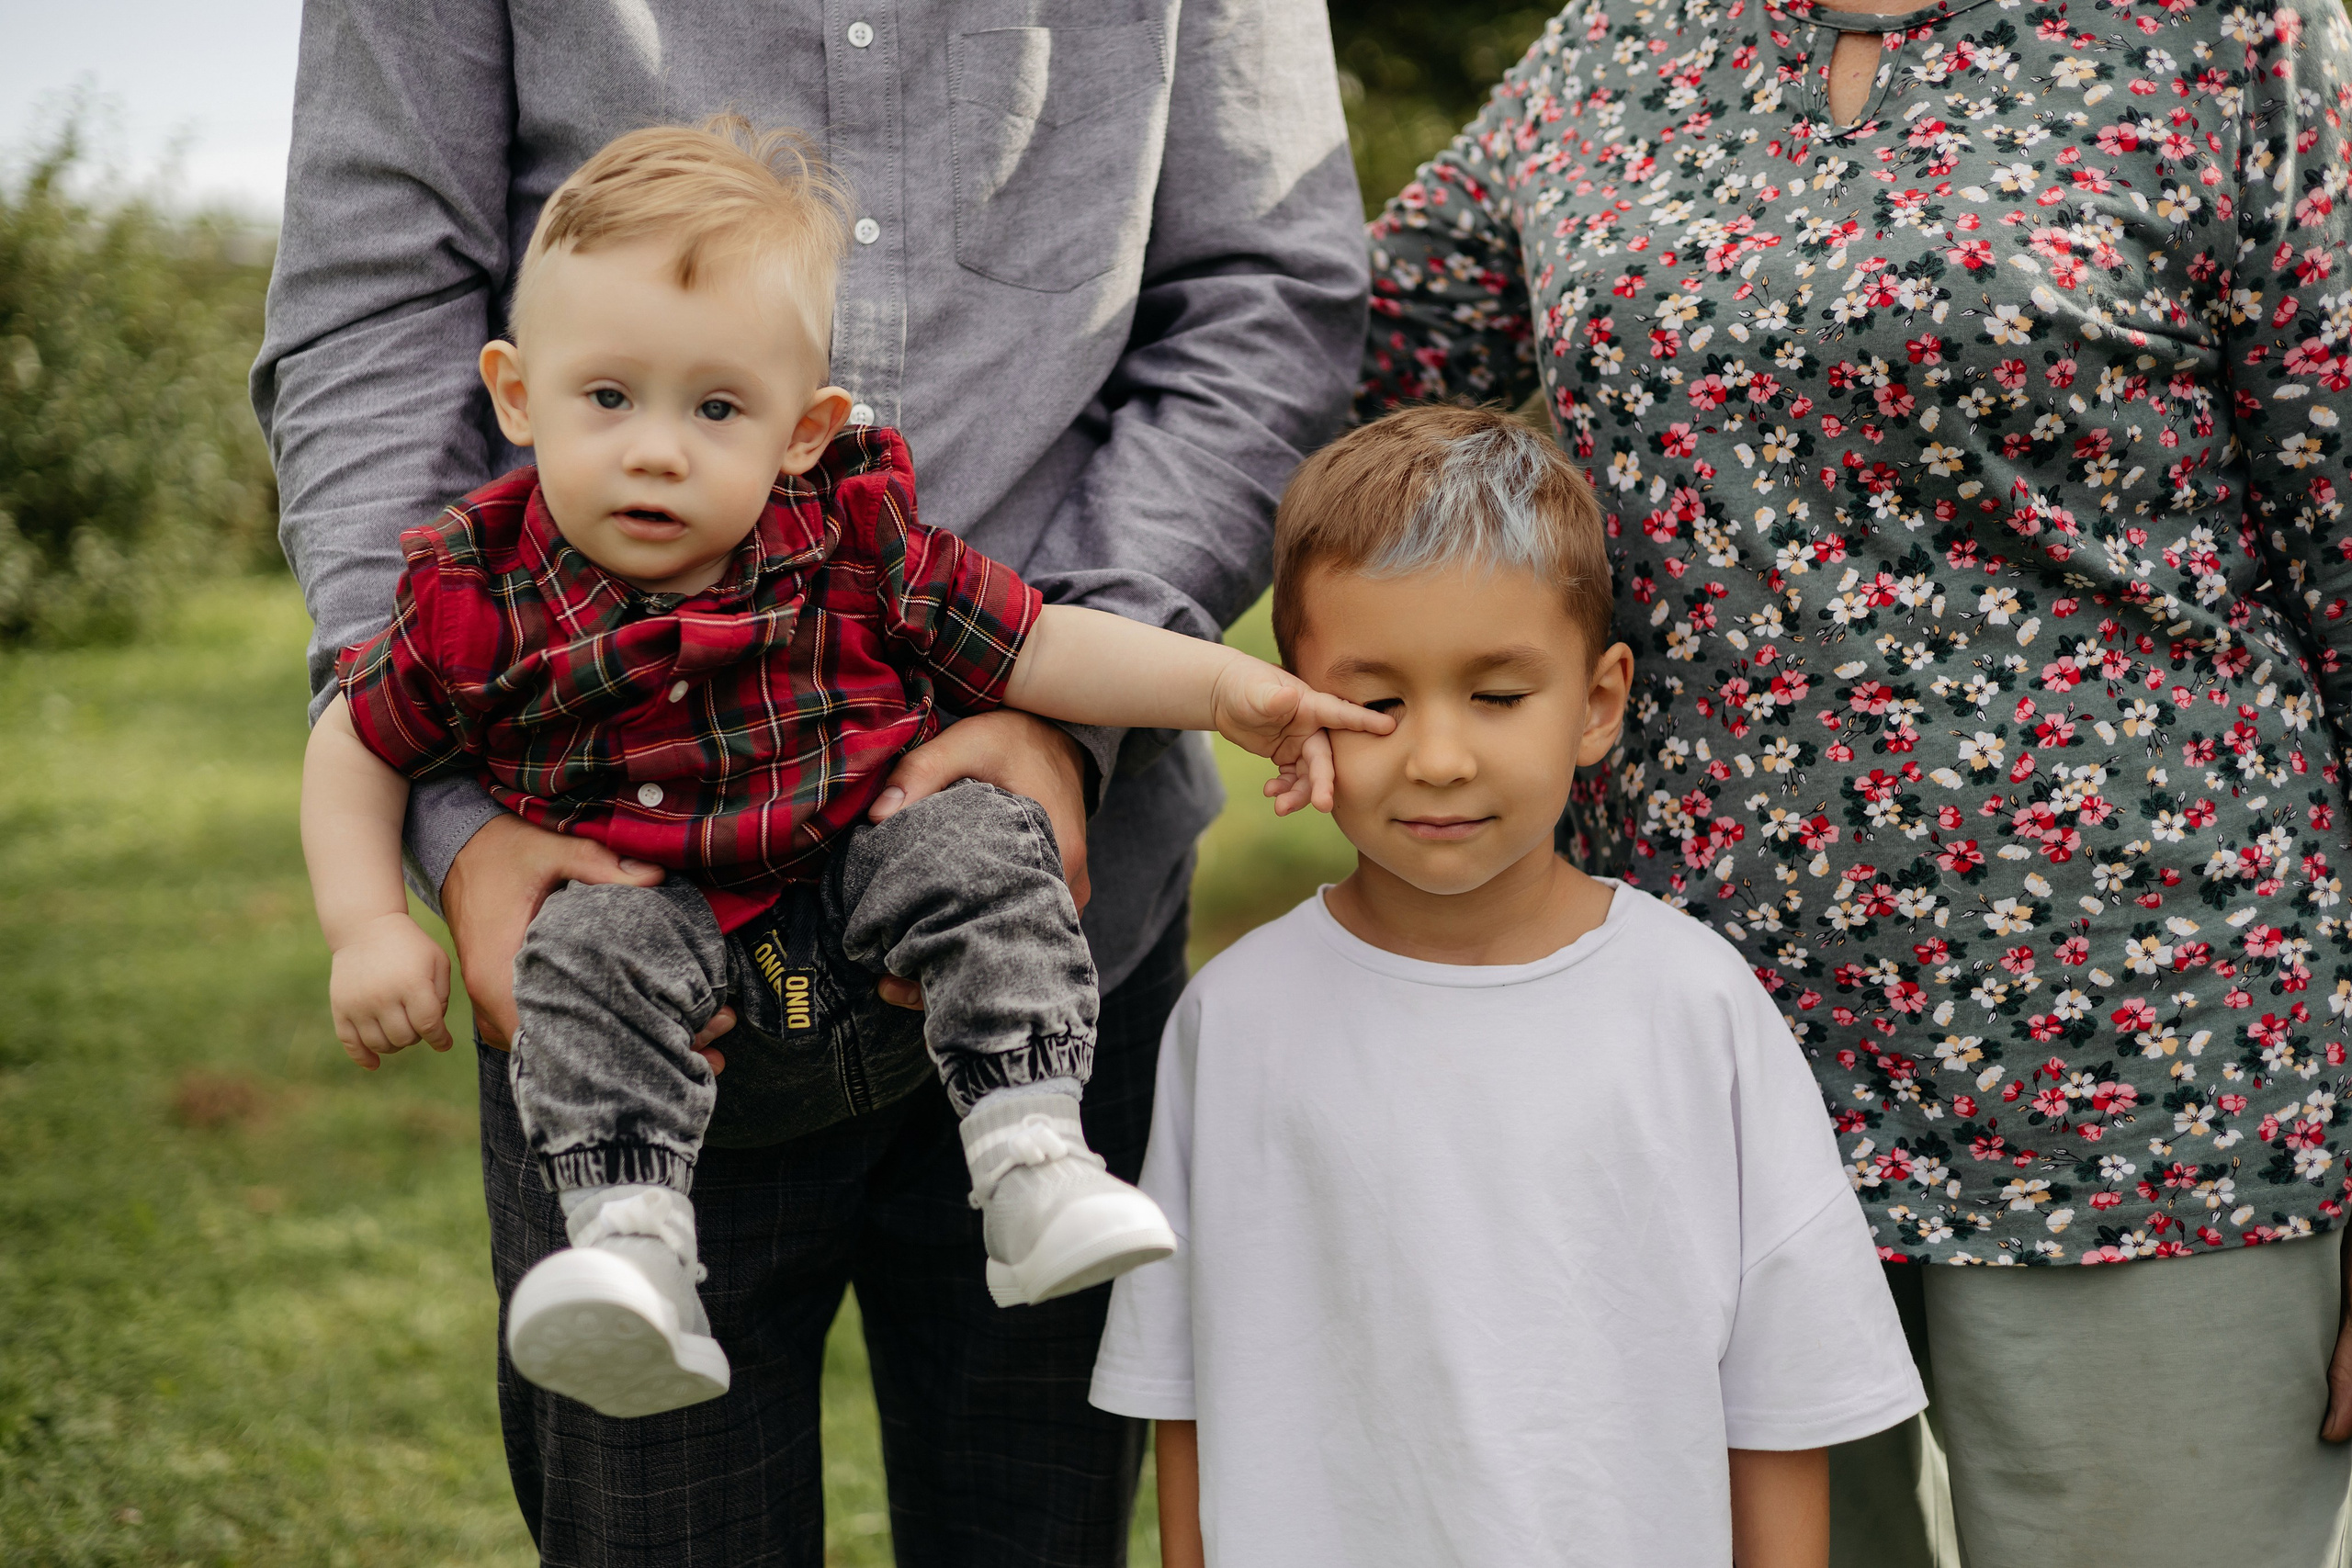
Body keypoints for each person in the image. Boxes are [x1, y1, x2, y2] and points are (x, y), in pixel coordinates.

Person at [252, 2, 1365, 1559]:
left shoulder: (860, 548)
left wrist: (1210, 688)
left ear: (808, 433)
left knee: (1034, 1528)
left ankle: (1030, 1148)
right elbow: (362, 696)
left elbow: (1068, 610)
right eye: (607, 400)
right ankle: (630, 1239)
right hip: (610, 928)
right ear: (521, 392)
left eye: (713, 407)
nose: (653, 453)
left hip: (1043, 902)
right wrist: (410, 873)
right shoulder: (483, 604)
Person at [1355, 0, 2352, 1562]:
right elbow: (1309, 356)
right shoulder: (1614, 45)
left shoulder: (2234, 44)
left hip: (2164, 1091)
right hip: (1693, 1083)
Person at [1088, 404, 1927, 1568]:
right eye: (1377, 703)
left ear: (1595, 703)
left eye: (1495, 695)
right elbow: (1185, 1387)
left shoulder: (1696, 1009)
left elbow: (1782, 1397)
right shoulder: (1234, 1017)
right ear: (1294, 708)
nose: (1437, 756)